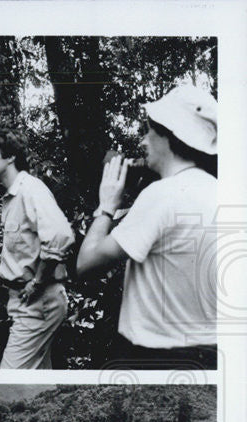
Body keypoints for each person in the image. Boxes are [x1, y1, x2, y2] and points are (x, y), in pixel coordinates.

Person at [77, 85, 218, 369]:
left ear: (168, 134)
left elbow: (86, 264)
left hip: (155, 355)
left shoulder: (161, 195)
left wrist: (106, 205)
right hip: (211, 354)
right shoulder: (221, 192)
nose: (143, 140)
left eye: (149, 130)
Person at [0, 128, 75, 369]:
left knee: (8, 383)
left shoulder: (30, 189)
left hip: (39, 303)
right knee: (37, 388)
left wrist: (37, 281)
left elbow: (60, 234)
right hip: (26, 303)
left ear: (10, 156)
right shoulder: (12, 196)